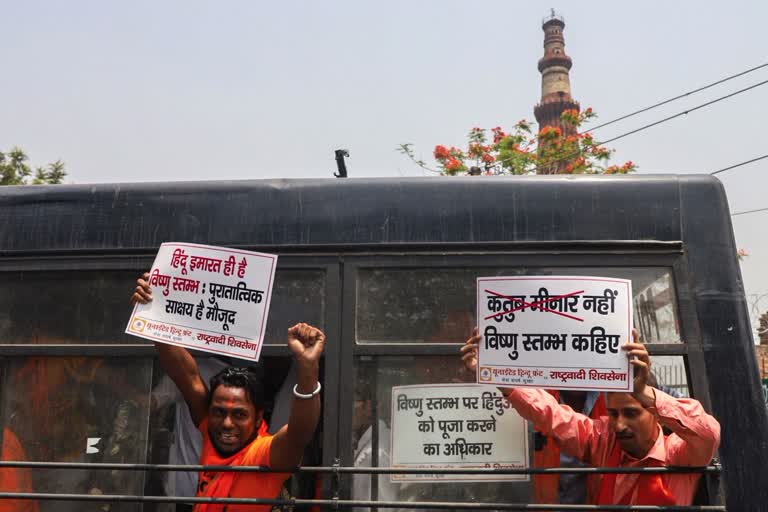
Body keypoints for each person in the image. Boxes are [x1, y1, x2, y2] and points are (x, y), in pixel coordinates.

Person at [460, 328, 721, 506]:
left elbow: (707, 431)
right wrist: (498, 377)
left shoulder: (681, 454)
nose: (619, 425)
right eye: (613, 413)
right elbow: (550, 414)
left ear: (654, 412)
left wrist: (643, 391)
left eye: (631, 413)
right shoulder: (602, 439)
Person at [132, 274, 325, 512]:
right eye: (219, 412)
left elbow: (299, 432)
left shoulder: (264, 454)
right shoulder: (210, 434)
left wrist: (308, 367)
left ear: (258, 419)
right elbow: (186, 376)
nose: (226, 423)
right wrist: (153, 311)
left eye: (239, 415)